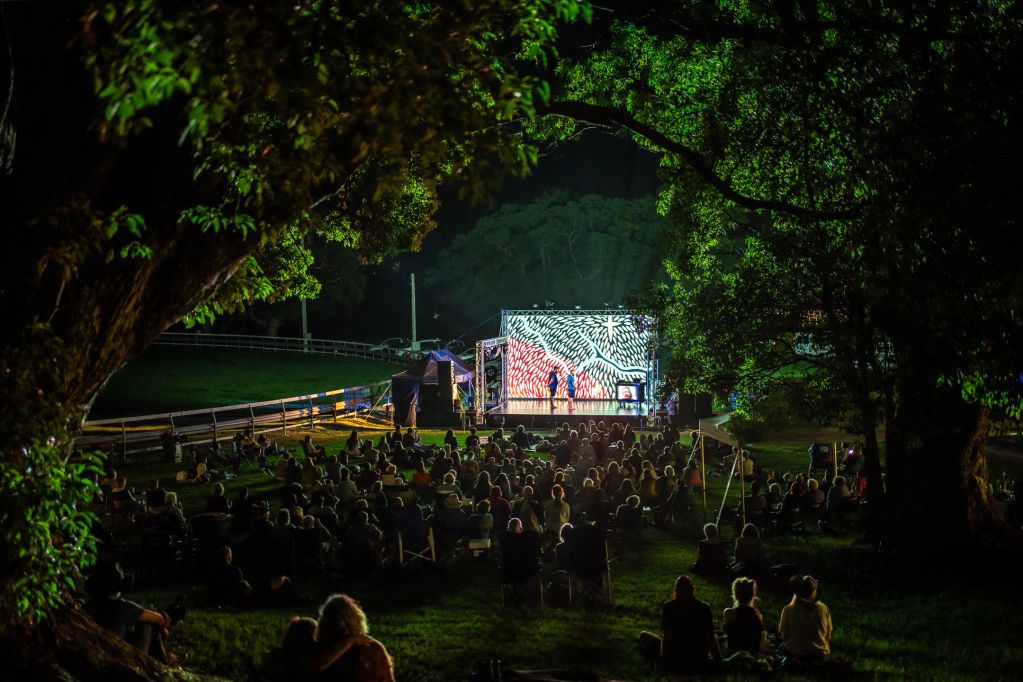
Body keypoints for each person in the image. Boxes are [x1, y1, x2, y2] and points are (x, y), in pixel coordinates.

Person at [83, 562, 175, 662]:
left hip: (95, 657)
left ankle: (163, 659)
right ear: (118, 589)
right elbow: (158, 619)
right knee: (148, 623)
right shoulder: (121, 607)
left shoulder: (87, 605)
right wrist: (163, 629)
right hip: (123, 660)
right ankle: (163, 660)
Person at [639, 575, 721, 675]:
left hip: (675, 657)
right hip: (698, 658)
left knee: (644, 635)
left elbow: (667, 637)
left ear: (676, 590)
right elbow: (710, 638)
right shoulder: (704, 607)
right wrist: (718, 661)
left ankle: (653, 658)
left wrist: (664, 662)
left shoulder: (669, 607)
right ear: (692, 590)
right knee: (717, 634)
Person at [315, 593, 395, 681]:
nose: (341, 623)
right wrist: (350, 641)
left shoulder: (373, 648)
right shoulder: (322, 649)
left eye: (345, 618)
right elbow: (316, 667)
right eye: (337, 619)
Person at [779, 575, 833, 662]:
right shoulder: (824, 609)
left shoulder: (788, 610)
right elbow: (828, 637)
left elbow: (785, 636)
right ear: (815, 592)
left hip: (796, 654)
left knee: (781, 648)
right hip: (820, 656)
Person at [723, 577, 766, 656]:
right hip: (752, 656)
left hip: (734, 656)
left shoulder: (729, 613)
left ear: (735, 594)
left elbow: (729, 634)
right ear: (752, 595)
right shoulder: (757, 614)